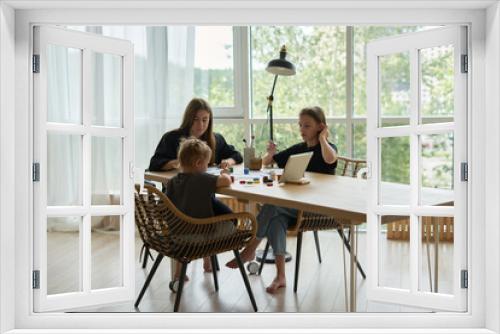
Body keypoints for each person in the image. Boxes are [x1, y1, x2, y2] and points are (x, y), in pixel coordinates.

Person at [226, 106, 338, 294]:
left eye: (307, 126)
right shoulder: (299, 149)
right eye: (300, 125)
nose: (302, 130)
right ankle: (280, 276)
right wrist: (270, 153)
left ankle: (251, 248)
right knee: (276, 216)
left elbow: (330, 160)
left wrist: (323, 139)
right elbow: (266, 162)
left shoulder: (328, 147)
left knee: (273, 207)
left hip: (319, 209)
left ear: (320, 127)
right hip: (296, 207)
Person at [166, 138, 233, 282]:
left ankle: (180, 272)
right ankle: (207, 260)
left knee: (202, 208)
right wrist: (225, 172)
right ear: (198, 164)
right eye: (206, 164)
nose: (207, 168)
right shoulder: (201, 178)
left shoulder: (172, 182)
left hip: (177, 232)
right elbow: (226, 181)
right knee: (229, 219)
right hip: (200, 233)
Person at [149, 97, 242, 172]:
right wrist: (180, 162)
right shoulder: (171, 138)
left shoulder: (216, 139)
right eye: (195, 119)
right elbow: (154, 164)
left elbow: (237, 156)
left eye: (205, 120)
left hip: (206, 190)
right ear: (188, 118)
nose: (200, 125)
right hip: (177, 191)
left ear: (210, 120)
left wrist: (228, 162)